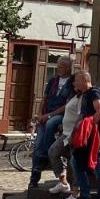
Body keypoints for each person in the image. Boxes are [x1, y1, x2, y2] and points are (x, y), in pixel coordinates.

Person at [63, 70, 100, 199]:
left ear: (84, 80)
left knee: (98, 164)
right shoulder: (84, 94)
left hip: (94, 136)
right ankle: (85, 195)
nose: (74, 82)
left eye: (76, 80)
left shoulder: (94, 92)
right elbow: (82, 115)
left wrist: (88, 128)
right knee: (78, 163)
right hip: (86, 135)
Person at [30, 56, 75, 189]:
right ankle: (34, 178)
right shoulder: (53, 81)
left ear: (67, 67)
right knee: (37, 145)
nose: (58, 68)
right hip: (46, 115)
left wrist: (49, 115)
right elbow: (44, 99)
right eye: (58, 66)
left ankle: (46, 156)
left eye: (61, 66)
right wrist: (40, 115)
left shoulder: (72, 82)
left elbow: (68, 105)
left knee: (50, 124)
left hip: (60, 115)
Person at [46, 90, 83, 197]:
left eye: (76, 81)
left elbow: (81, 115)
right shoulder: (74, 96)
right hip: (65, 133)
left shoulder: (84, 97)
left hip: (73, 134)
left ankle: (76, 191)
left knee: (74, 161)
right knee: (53, 152)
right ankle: (63, 182)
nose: (74, 84)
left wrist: (74, 133)